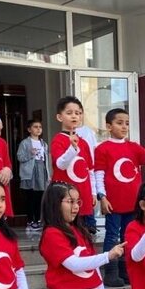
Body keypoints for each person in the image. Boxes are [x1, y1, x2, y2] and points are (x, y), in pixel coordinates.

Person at [95, 108, 145, 287]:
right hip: (114, 203)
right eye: (119, 123)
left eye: (126, 123)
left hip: (132, 203)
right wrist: (102, 196)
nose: (124, 127)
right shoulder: (102, 148)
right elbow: (99, 175)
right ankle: (111, 271)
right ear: (109, 126)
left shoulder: (133, 146)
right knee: (112, 236)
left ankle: (127, 270)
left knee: (129, 236)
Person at [50, 97, 97, 229]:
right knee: (66, 230)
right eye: (69, 113)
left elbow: (90, 170)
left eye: (78, 113)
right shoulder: (58, 140)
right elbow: (60, 164)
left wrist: (93, 192)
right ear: (60, 117)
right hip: (65, 196)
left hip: (83, 194)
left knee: (84, 231)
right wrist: (72, 149)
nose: (74, 116)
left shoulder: (84, 142)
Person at [16, 119, 50, 230]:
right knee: (30, 197)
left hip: (41, 170)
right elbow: (20, 157)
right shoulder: (25, 143)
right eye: (35, 127)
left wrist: (48, 174)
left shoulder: (44, 144)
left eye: (40, 127)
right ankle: (31, 220)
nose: (38, 129)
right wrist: (30, 154)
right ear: (29, 129)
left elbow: (46, 161)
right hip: (30, 172)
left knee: (40, 197)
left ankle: (39, 219)